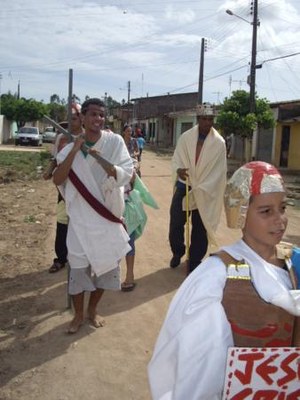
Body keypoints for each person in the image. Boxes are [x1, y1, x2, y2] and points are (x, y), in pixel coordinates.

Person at [148, 161, 300, 400]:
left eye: (283, 208)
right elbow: (199, 369)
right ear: (239, 212)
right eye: (266, 211)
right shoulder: (215, 276)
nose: (280, 220)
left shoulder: (294, 263)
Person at [53, 98, 133, 334]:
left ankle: (93, 310)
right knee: (78, 267)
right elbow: (58, 179)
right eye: (93, 114)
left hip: (105, 214)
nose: (98, 119)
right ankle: (78, 315)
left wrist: (102, 160)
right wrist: (76, 150)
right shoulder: (70, 147)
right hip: (80, 219)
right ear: (84, 118)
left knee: (107, 265)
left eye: (101, 115)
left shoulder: (115, 142)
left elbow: (126, 172)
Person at [169, 103, 227, 273]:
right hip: (184, 186)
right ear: (197, 119)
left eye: (210, 119)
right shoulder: (186, 138)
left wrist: (204, 185)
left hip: (205, 190)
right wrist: (179, 170)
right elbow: (177, 159)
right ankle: (178, 251)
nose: (207, 122)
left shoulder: (219, 143)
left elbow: (219, 171)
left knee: (200, 228)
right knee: (176, 225)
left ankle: (194, 260)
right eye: (204, 119)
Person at [43, 103, 83, 273]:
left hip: (83, 190)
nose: (71, 121)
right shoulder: (61, 138)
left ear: (81, 118)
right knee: (62, 222)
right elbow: (55, 159)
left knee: (81, 224)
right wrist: (49, 170)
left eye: (74, 118)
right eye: (69, 118)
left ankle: (82, 259)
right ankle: (60, 258)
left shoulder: (87, 136)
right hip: (64, 187)